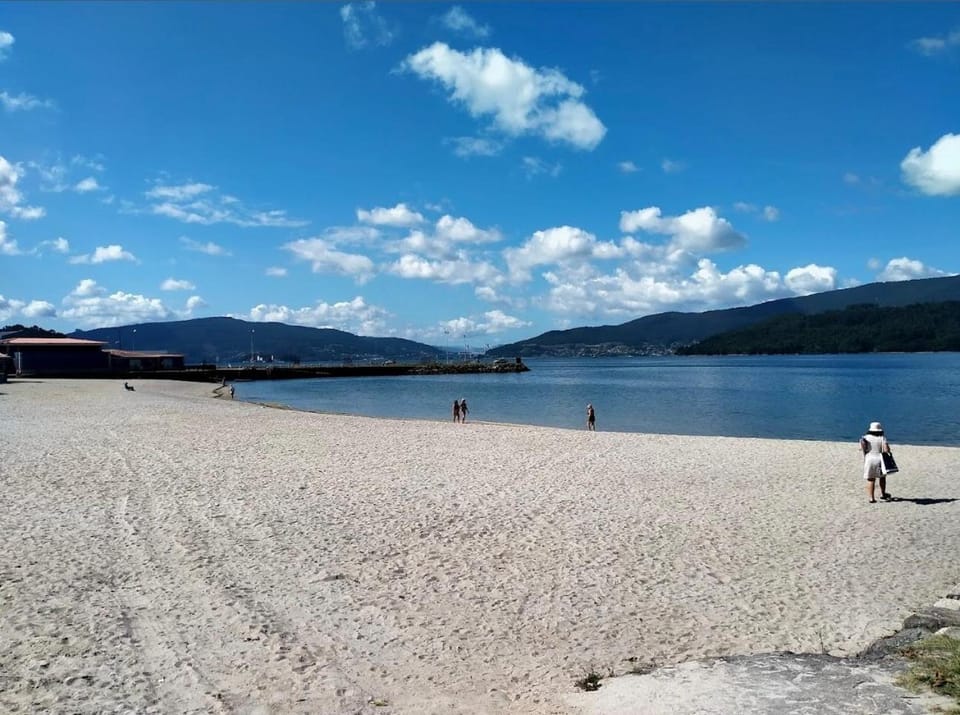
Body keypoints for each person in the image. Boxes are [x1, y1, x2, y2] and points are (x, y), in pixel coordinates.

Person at [860, 421, 892, 503]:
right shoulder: (882, 438)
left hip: (869, 458)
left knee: (871, 479)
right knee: (882, 477)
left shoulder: (865, 438)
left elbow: (863, 449)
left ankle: (871, 498)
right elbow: (886, 450)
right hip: (880, 458)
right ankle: (883, 493)